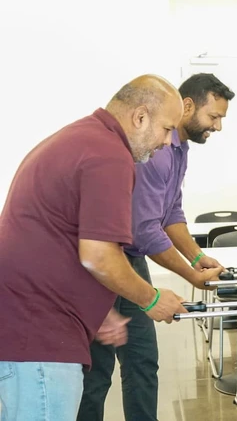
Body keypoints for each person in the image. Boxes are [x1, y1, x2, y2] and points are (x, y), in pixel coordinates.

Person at [0, 75, 189, 421]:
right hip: (39, 341)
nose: (167, 142)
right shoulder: (109, 155)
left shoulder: (81, 139)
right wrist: (152, 298)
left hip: (27, 332)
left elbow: (59, 240)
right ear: (140, 116)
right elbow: (99, 254)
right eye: (166, 129)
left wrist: (100, 312)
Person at [77, 73, 236, 420]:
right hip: (106, 262)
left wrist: (197, 257)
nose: (218, 127)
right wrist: (190, 275)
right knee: (98, 370)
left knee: (142, 359)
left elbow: (170, 213)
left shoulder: (178, 149)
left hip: (128, 260)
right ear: (188, 106)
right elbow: (145, 230)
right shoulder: (156, 151)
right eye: (214, 117)